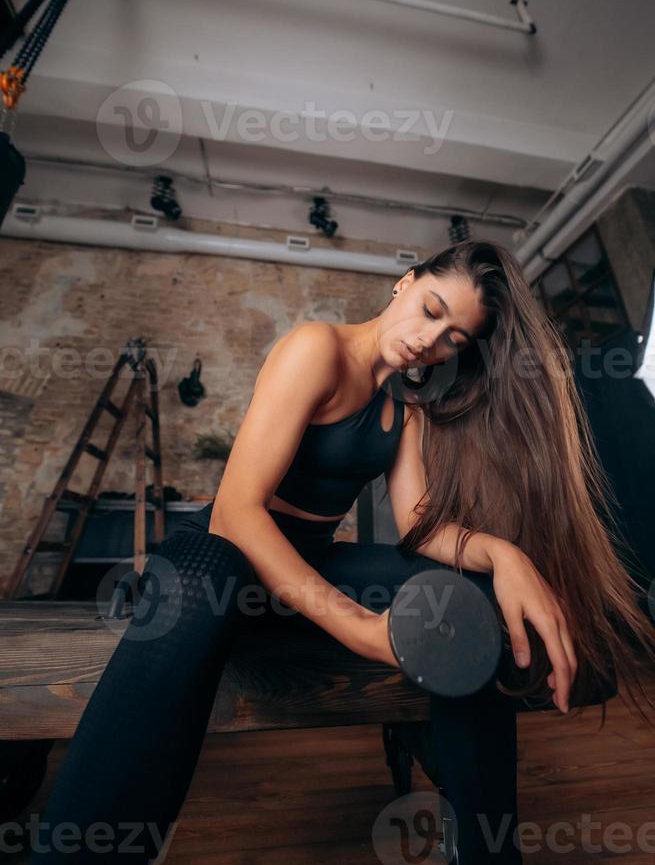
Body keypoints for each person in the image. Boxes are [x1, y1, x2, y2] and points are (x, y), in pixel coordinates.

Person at [29, 239, 655, 864]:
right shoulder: (315, 349)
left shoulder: (404, 411)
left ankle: (490, 853)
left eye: (453, 341)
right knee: (200, 581)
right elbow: (237, 509)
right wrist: (361, 630)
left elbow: (420, 527)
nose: (428, 342)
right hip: (223, 552)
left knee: (465, 597)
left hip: (311, 559)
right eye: (432, 310)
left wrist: (503, 556)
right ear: (404, 283)